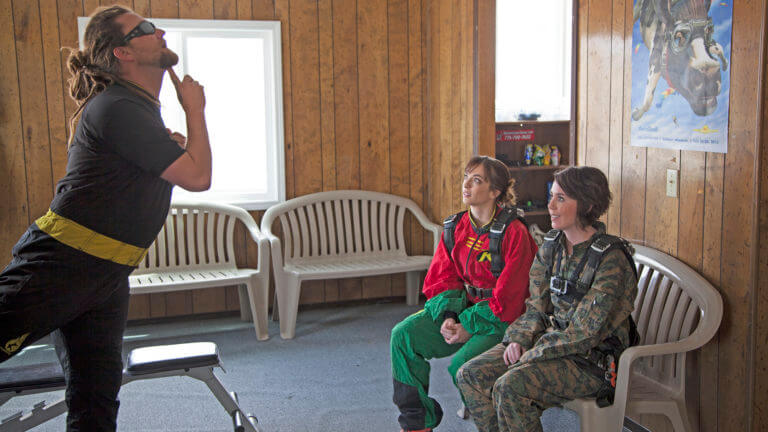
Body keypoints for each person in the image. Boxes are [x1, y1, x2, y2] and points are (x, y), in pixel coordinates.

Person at [0, 5, 210, 430]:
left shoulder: (138, 111)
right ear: (122, 53)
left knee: (94, 401)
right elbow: (198, 176)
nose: (160, 31)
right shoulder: (118, 107)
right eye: (146, 29)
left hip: (106, 273)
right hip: (59, 264)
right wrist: (195, 109)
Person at [456, 166, 638, 432]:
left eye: (561, 198)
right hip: (550, 345)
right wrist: (519, 339)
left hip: (592, 363)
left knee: (511, 387)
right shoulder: (552, 245)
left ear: (586, 204)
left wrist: (533, 354)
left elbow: (585, 333)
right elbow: (535, 307)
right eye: (551, 196)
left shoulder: (611, 260)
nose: (550, 205)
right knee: (470, 375)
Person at [390, 156, 538, 432]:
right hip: (460, 312)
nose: (466, 184)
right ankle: (417, 422)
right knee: (403, 335)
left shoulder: (514, 232)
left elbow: (512, 297)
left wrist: (468, 326)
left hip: (501, 319)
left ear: (495, 192)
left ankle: (497, 415)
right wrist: (447, 317)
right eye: (466, 177)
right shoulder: (455, 227)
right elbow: (442, 277)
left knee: (461, 365)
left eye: (477, 180)